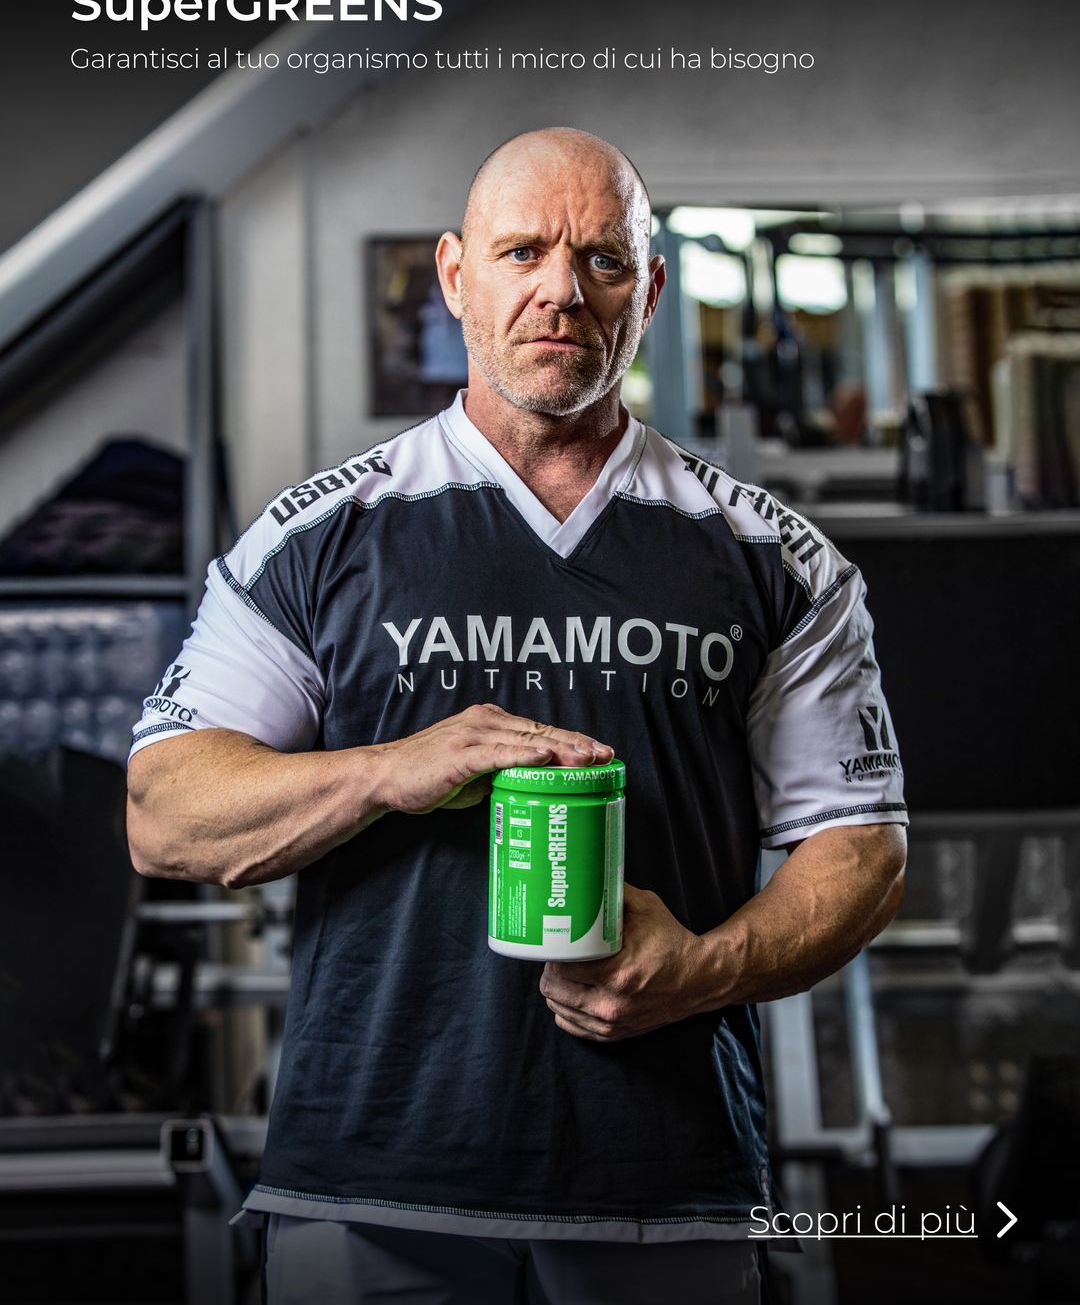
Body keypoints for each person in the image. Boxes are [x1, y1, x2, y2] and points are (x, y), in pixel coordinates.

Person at [127, 127, 907, 1304]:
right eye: (522, 252)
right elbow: (164, 813)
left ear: (649, 291)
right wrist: (386, 770)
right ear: (455, 275)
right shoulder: (320, 537)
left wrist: (699, 970)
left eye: (602, 260)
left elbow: (861, 851)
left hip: (664, 1189)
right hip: (371, 1185)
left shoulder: (772, 559)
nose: (562, 290)